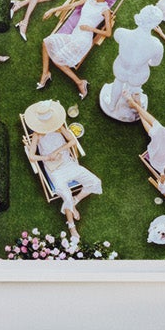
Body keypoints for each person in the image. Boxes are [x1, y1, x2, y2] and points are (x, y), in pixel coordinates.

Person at [22, 100, 103, 238]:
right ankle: (72, 228)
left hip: (68, 163)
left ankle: (74, 201)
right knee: (65, 193)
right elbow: (31, 156)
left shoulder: (58, 127)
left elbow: (72, 141)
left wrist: (59, 150)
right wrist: (47, 157)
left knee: (95, 182)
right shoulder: (37, 134)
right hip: (54, 170)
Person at [36, 0, 115, 97]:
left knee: (57, 60)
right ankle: (45, 72)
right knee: (46, 42)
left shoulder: (105, 10)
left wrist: (91, 28)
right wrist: (52, 10)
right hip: (74, 35)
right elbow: (71, 5)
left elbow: (108, 33)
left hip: (84, 39)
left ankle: (80, 82)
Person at [96, 4, 165, 122]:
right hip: (138, 74)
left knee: (117, 83)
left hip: (121, 69)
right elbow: (155, 63)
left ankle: (112, 105)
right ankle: (132, 106)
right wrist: (145, 60)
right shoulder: (157, 46)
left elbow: (118, 40)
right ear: (155, 24)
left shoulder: (121, 33)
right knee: (135, 88)